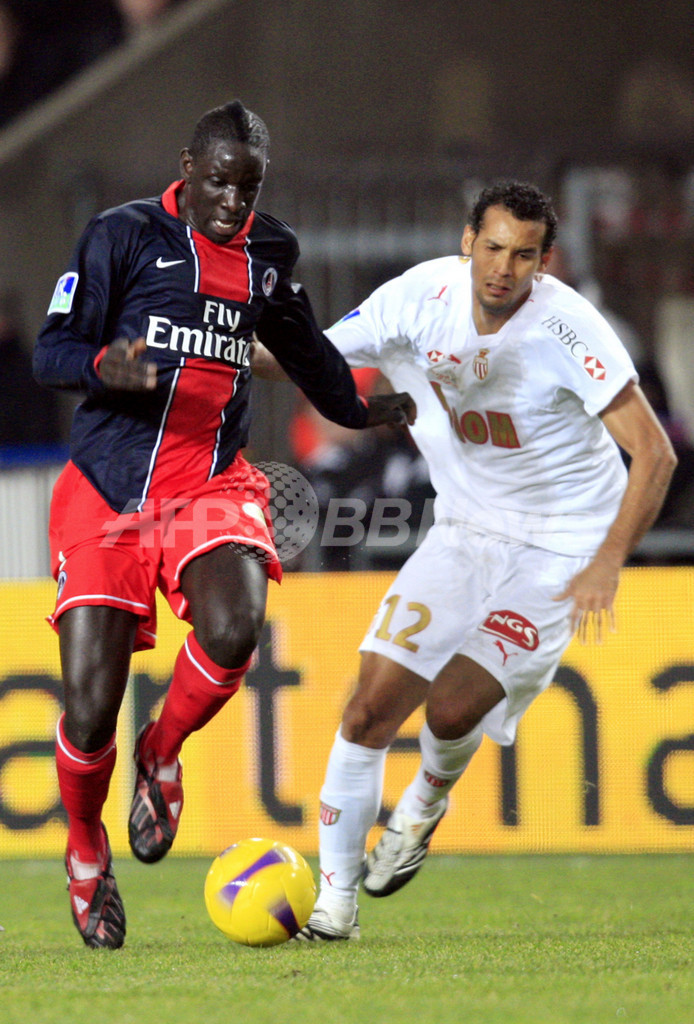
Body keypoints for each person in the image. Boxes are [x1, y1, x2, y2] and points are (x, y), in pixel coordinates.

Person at [33, 99, 414, 950]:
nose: (232, 203)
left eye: (248, 187)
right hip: (106, 492)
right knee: (89, 713)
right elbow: (49, 352)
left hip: (209, 482)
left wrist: (358, 410)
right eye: (217, 183)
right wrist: (102, 364)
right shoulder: (121, 236)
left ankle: (162, 750)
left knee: (237, 627)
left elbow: (306, 350)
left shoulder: (269, 254)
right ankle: (86, 846)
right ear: (187, 169)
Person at [255, 180, 677, 941]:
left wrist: (609, 559)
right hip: (463, 532)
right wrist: (211, 349)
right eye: (493, 248)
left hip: (561, 548)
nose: (504, 269)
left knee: (451, 709)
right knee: (366, 710)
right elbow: (307, 360)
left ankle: (422, 805)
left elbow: (655, 453)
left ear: (544, 262)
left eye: (524, 255)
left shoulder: (570, 329)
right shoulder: (418, 299)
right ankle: (335, 908)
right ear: (466, 242)